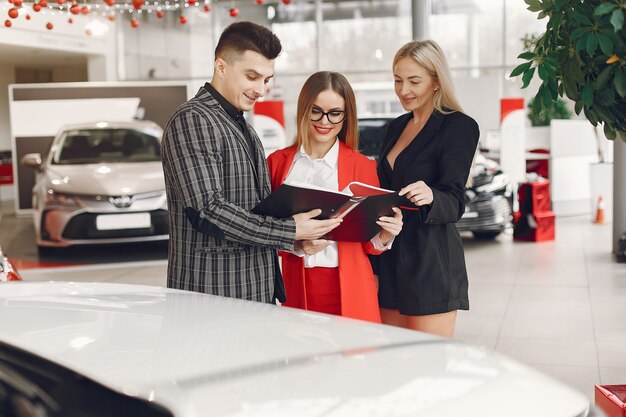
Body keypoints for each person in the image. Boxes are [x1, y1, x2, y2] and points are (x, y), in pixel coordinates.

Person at [161, 22, 341, 304]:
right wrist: (289, 229)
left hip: (254, 292)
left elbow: (253, 210)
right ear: (221, 67)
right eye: (252, 76)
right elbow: (208, 210)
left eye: (266, 80)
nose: (261, 89)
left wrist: (295, 240)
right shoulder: (194, 119)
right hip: (212, 296)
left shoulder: (242, 126)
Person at [267, 71, 403, 322]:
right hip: (297, 285)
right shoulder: (277, 164)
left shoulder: (363, 166)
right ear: (304, 109)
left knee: (353, 358)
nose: (324, 121)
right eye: (316, 110)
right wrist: (297, 244)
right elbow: (265, 231)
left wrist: (387, 233)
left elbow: (369, 245)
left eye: (335, 113)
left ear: (346, 115)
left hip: (351, 286)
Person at [375, 40, 479, 337]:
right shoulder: (395, 127)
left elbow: (456, 200)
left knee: (429, 368)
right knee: (393, 363)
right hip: (390, 256)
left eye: (414, 81)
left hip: (430, 260)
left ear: (436, 81)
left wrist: (433, 195)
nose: (403, 89)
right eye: (398, 80)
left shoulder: (458, 126)